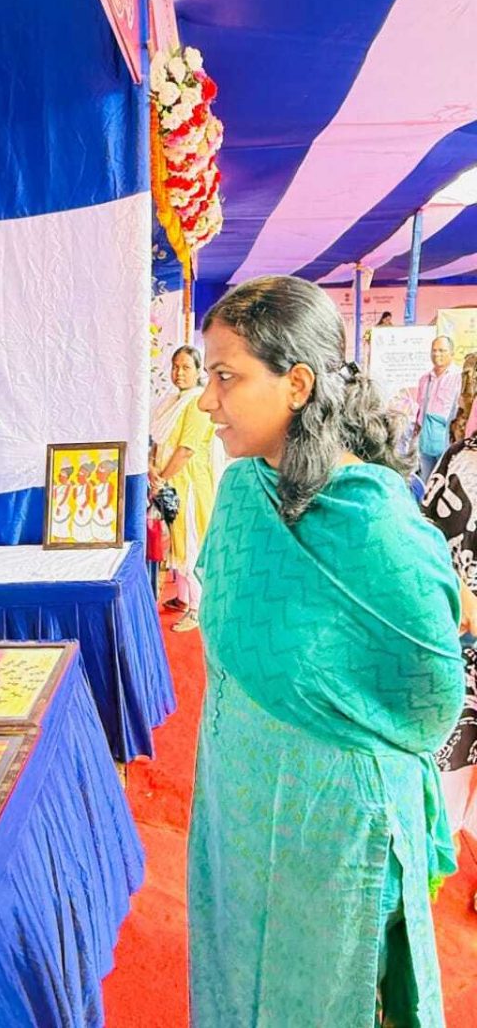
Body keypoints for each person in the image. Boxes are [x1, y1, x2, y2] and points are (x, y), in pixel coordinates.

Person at [190, 275, 463, 1027]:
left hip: (335, 826)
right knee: (238, 972)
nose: (207, 399)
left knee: (326, 995)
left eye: (226, 376)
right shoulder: (243, 492)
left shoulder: (378, 523)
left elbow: (433, 694)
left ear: (298, 384)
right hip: (240, 798)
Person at [421, 439, 477, 888]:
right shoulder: (462, 460)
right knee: (444, 774)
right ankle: (431, 869)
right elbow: (422, 541)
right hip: (456, 648)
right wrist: (458, 591)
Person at [149, 346, 219, 633]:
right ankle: (183, 598)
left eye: (186, 367)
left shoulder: (198, 403)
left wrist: (161, 478)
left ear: (199, 371)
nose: (179, 372)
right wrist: (152, 468)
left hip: (188, 486)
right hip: (168, 484)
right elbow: (159, 443)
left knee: (190, 544)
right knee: (176, 542)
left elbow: (186, 450)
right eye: (175, 366)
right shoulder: (171, 402)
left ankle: (197, 609)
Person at [413, 335, 461, 483]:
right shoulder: (424, 379)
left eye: (441, 350)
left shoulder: (459, 378)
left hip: (447, 440)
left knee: (444, 483)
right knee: (425, 483)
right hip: (426, 440)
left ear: (451, 353)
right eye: (434, 350)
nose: (436, 354)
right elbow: (419, 410)